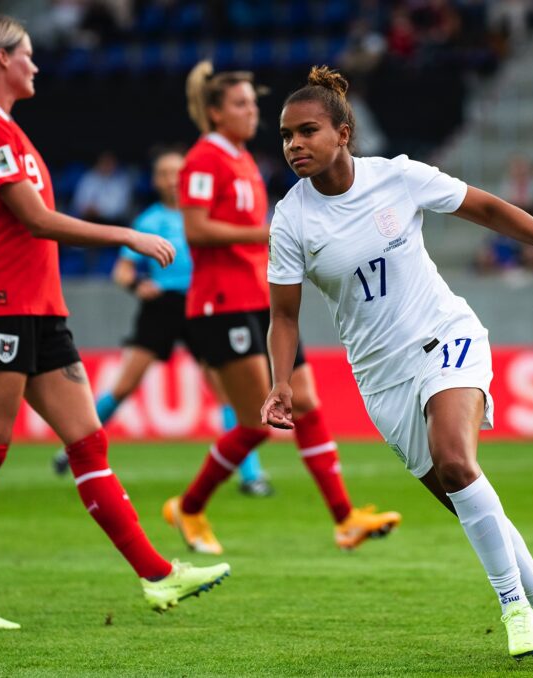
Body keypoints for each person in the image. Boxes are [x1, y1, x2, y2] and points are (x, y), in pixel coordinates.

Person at [263, 66, 533, 661]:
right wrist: (280, 383)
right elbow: (283, 316)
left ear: (344, 133)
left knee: (457, 463)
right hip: (380, 380)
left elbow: (483, 206)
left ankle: (511, 606)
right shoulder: (292, 219)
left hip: (444, 337)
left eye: (307, 131)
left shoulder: (398, 178)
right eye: (285, 136)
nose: (294, 145)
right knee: (468, 496)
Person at [0, 14, 229, 630]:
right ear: (3, 58)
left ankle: (156, 575)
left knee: (89, 441)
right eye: (28, 54)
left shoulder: (3, 129)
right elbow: (35, 220)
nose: (37, 64)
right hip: (1, 305)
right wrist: (128, 235)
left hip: (37, 308)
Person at [166, 61, 401, 555]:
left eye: (254, 103)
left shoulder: (241, 158)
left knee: (309, 403)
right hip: (221, 305)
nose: (252, 112)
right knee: (256, 423)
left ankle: (344, 518)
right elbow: (196, 230)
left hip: (256, 300)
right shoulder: (205, 159)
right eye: (241, 104)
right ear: (215, 112)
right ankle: (188, 507)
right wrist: (265, 234)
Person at [50, 150, 272, 496]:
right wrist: (139, 285)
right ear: (155, 181)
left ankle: (250, 476)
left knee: (226, 392)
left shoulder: (206, 216)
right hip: (164, 307)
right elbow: (122, 271)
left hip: (205, 303)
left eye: (177, 172)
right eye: (165, 173)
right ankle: (72, 448)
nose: (172, 179)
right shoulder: (149, 221)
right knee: (124, 385)